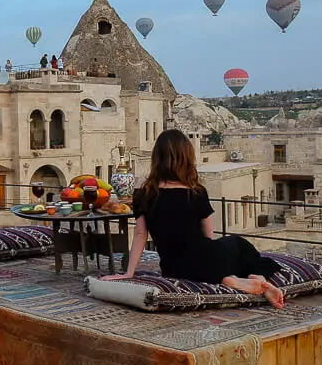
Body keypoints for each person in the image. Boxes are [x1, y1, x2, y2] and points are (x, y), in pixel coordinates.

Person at [102, 130, 284, 308]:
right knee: (241, 246)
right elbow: (209, 236)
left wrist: (129, 272)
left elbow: (140, 234)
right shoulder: (197, 192)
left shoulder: (144, 194)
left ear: (157, 159)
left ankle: (229, 278)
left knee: (210, 261)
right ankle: (256, 278)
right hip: (207, 259)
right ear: (186, 158)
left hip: (173, 267)